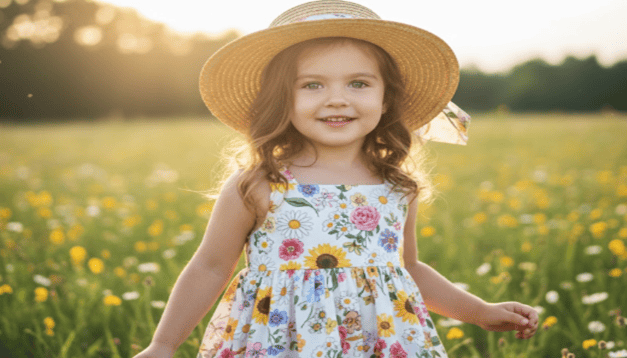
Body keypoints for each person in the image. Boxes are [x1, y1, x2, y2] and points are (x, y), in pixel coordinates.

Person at [134, 1, 538, 357]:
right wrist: (164, 345)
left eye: (359, 83)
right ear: (282, 99)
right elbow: (209, 266)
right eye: (312, 85)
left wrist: (480, 311)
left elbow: (409, 269)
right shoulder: (259, 183)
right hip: (279, 340)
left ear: (386, 99)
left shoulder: (397, 187)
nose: (338, 98)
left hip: (380, 340)